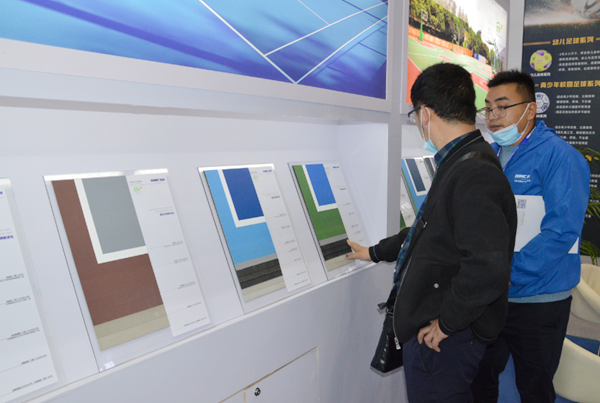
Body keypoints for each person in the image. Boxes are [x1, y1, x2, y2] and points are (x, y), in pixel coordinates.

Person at [348, 63, 517, 403]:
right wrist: (375, 252)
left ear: (425, 114)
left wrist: (447, 323)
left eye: (414, 116)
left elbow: (488, 266)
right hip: (448, 330)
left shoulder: (473, 171)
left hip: (446, 338)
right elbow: (430, 229)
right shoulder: (463, 158)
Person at [470, 70, 590, 403]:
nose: (493, 116)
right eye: (488, 108)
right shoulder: (488, 155)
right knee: (480, 378)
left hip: (540, 300)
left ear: (531, 108)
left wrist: (511, 272)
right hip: (492, 297)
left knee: (534, 388)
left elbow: (562, 230)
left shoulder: (560, 156)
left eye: (502, 106)